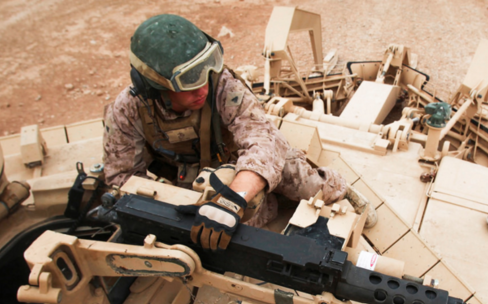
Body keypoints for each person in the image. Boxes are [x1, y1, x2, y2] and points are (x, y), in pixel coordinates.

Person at [103, 14, 376, 250]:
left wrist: (233, 200)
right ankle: (264, 203)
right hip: (193, 180)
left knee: (300, 180)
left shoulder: (222, 85)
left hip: (244, 163)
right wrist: (169, 203)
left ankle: (338, 188)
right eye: (188, 80)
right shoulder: (127, 110)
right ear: (152, 86)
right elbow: (121, 177)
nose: (203, 89)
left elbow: (264, 144)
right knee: (228, 226)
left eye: (205, 68)